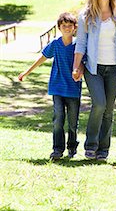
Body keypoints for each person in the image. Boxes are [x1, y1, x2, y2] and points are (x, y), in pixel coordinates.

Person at [72, 0, 116, 161]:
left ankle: (103, 150)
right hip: (93, 68)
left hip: (115, 68)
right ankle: (91, 145)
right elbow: (81, 44)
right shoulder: (86, 15)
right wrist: (76, 67)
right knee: (99, 104)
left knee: (108, 109)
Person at [18, 12, 81, 160]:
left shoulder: (78, 45)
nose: (67, 28)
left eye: (69, 25)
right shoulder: (55, 44)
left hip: (73, 89)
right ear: (59, 27)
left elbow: (84, 63)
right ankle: (57, 149)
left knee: (73, 122)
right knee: (58, 119)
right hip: (57, 88)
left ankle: (72, 147)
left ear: (74, 27)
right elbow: (42, 58)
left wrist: (79, 73)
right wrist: (26, 72)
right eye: (63, 26)